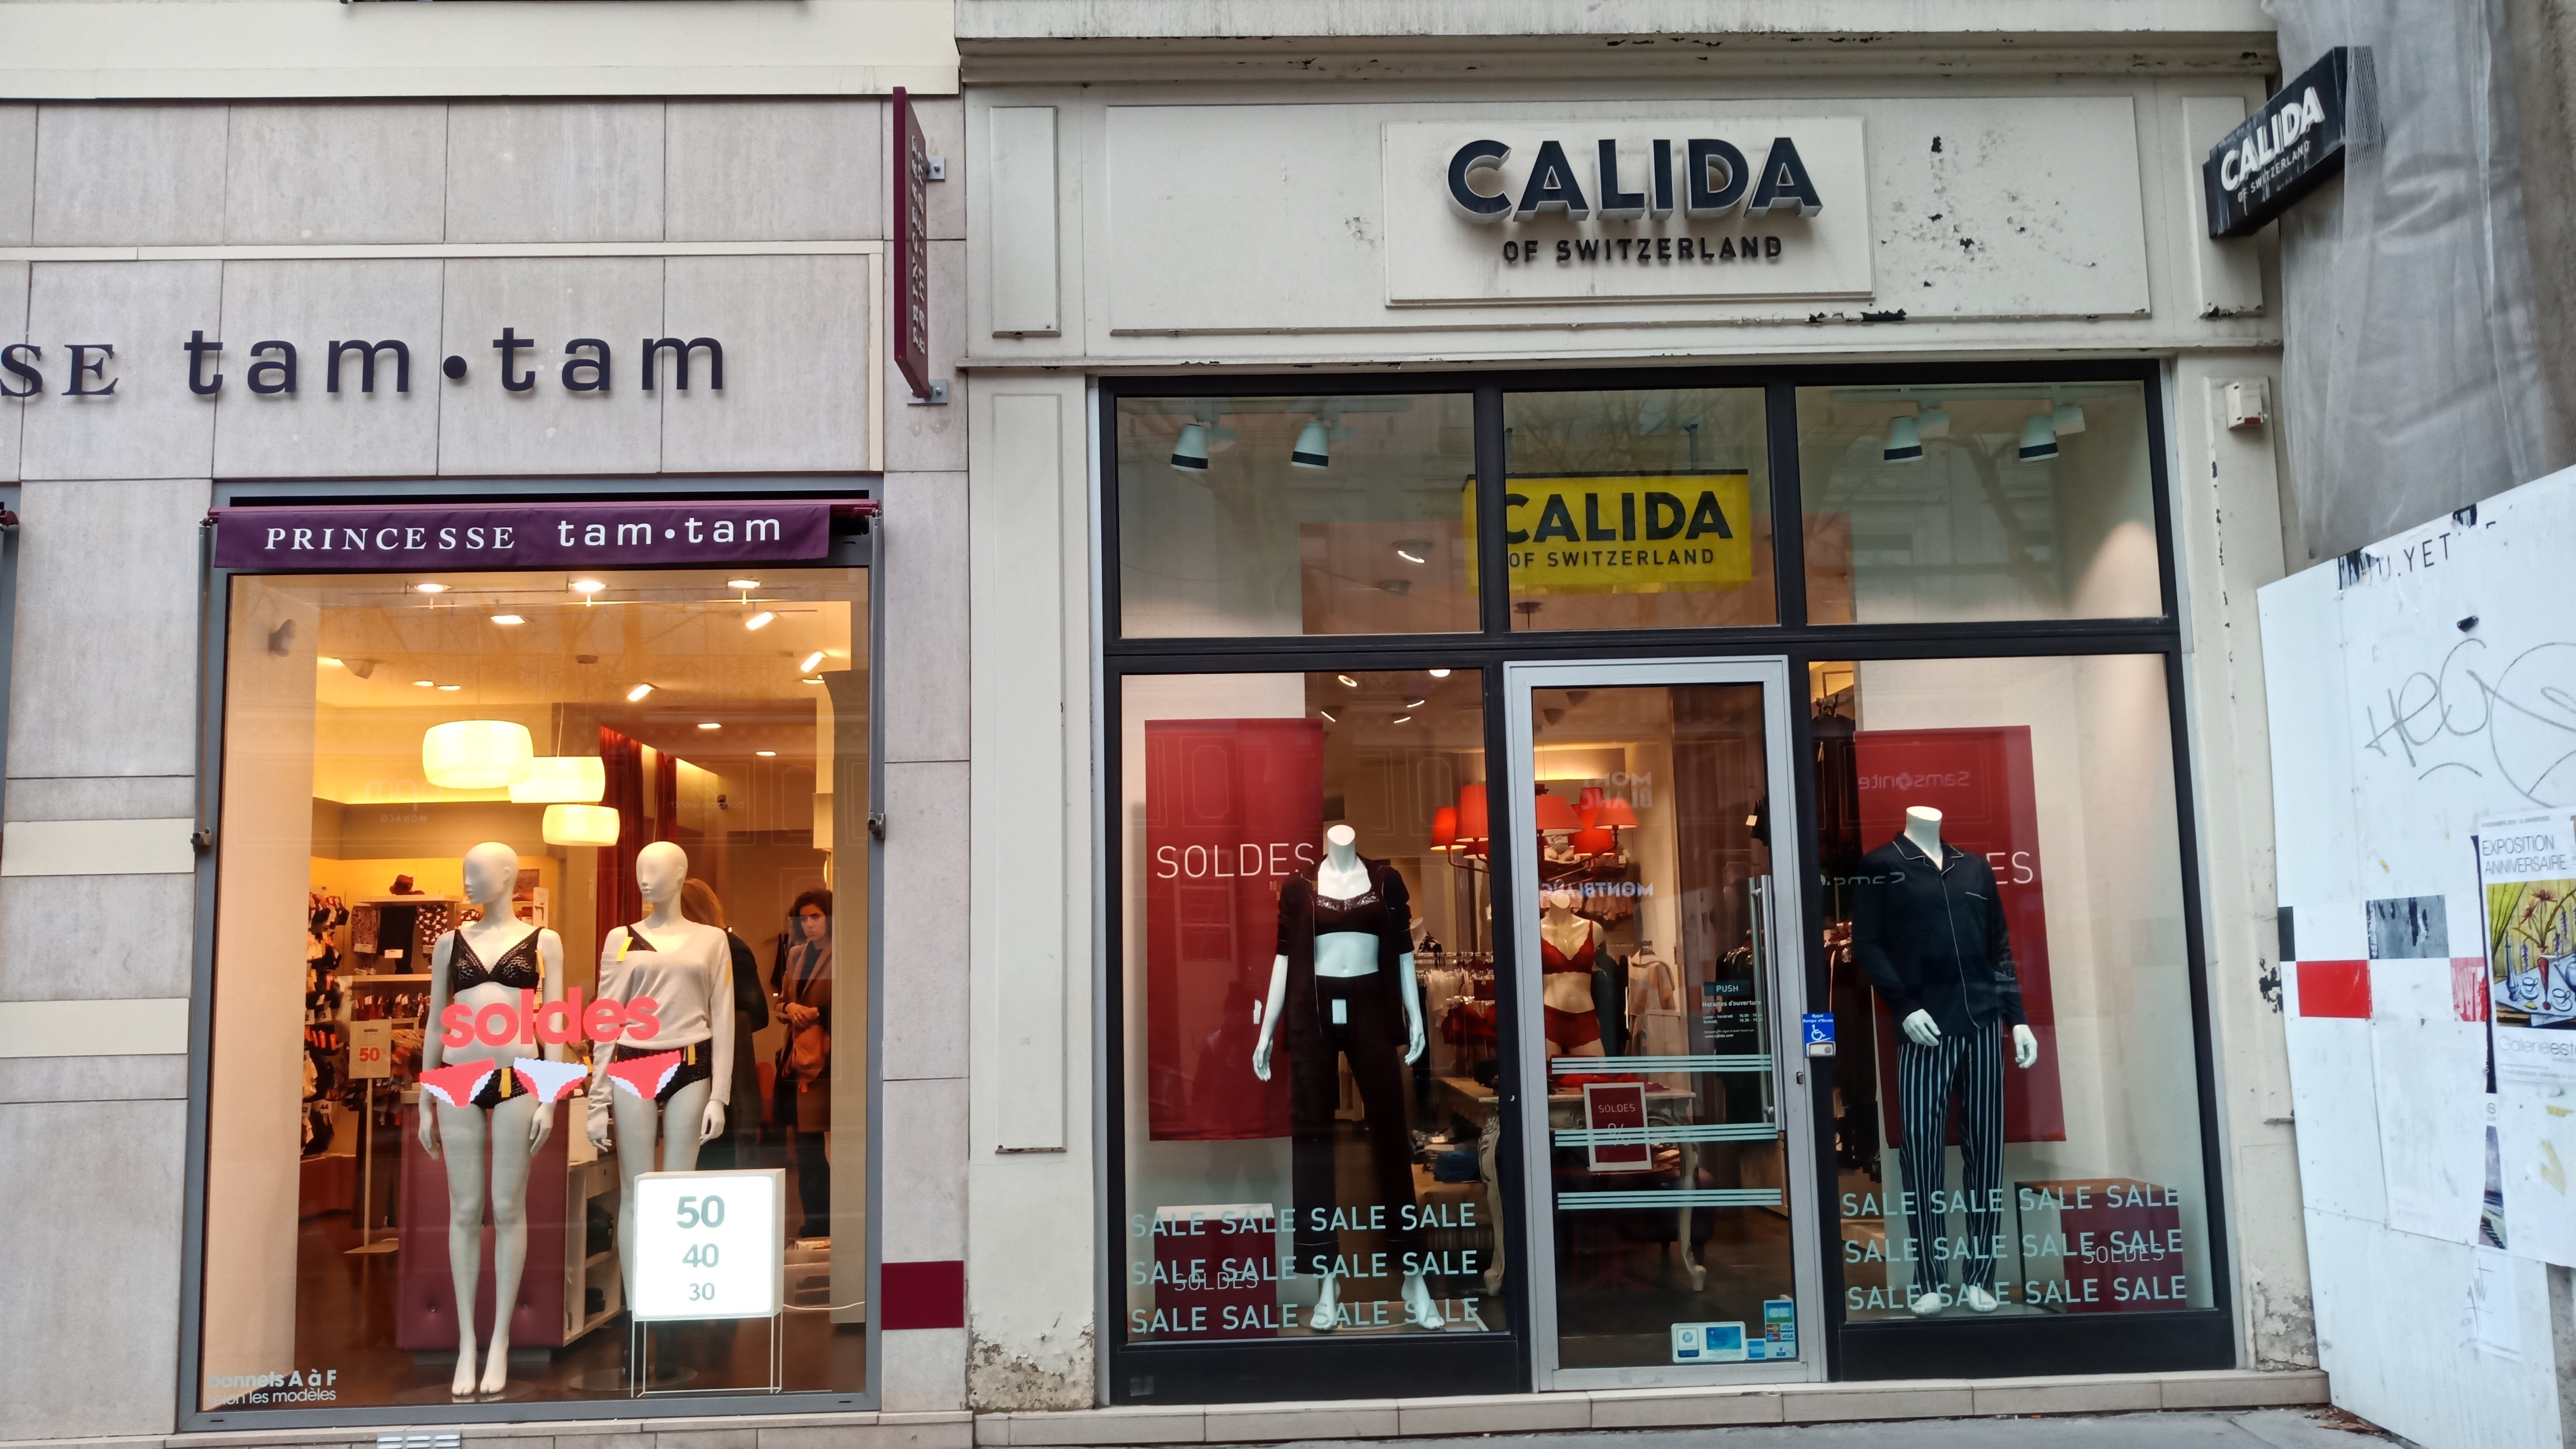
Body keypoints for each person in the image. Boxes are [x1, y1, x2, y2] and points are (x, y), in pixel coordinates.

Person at [679, 878, 769, 1170]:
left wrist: (711, 1022)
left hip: (718, 1064)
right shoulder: (678, 951)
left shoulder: (731, 949)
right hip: (685, 1062)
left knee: (715, 1153)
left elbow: (757, 1013)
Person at [773, 888, 834, 1239]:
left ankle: (833, 1222)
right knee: (806, 1148)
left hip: (830, 1059)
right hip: (799, 1061)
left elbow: (853, 1000)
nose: (809, 924)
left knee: (834, 1144)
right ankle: (816, 1224)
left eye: (817, 916)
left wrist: (817, 1013)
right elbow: (781, 1003)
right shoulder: (796, 954)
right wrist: (790, 1008)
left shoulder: (844, 951)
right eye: (804, 918)